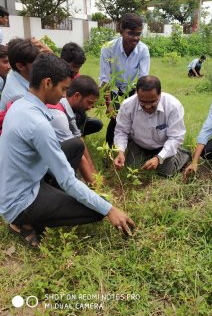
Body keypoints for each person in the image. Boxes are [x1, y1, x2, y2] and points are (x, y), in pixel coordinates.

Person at [0, 53, 135, 248]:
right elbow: (68, 180)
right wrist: (109, 209)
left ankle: (50, 199)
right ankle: (20, 222)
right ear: (48, 83)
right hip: (19, 201)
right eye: (63, 89)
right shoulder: (38, 124)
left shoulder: (20, 105)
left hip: (19, 181)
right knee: (96, 211)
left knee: (75, 146)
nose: (64, 95)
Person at [114, 75, 190, 177]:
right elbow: (121, 131)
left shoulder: (173, 106)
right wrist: (120, 151)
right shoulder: (128, 105)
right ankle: (148, 156)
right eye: (142, 102)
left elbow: (176, 137)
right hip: (139, 144)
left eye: (152, 101)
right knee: (132, 169)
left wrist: (159, 158)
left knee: (166, 172)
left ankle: (183, 154)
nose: (148, 106)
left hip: (163, 144)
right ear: (137, 94)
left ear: (160, 93)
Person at [99, 13, 150, 147]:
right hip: (113, 87)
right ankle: (109, 149)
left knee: (132, 117)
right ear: (121, 31)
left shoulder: (143, 50)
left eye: (138, 34)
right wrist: (109, 105)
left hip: (132, 87)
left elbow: (143, 79)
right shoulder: (108, 48)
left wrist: (133, 103)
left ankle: (132, 146)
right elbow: (105, 79)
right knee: (116, 118)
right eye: (131, 33)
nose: (135, 38)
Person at [49, 75, 101, 185]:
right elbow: (78, 153)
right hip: (40, 163)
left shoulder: (66, 107)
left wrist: (94, 173)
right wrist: (95, 186)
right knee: (75, 147)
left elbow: (80, 139)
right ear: (77, 96)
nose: (90, 107)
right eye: (89, 102)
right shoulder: (59, 117)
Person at [61, 42, 103, 136]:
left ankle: (79, 134)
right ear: (63, 62)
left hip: (74, 113)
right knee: (79, 115)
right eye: (74, 67)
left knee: (96, 123)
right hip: (60, 113)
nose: (77, 71)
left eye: (79, 68)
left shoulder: (76, 76)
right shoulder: (56, 77)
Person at [0, 38, 39, 110]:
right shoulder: (20, 96)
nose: (40, 66)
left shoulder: (14, 73)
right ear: (20, 66)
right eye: (36, 64)